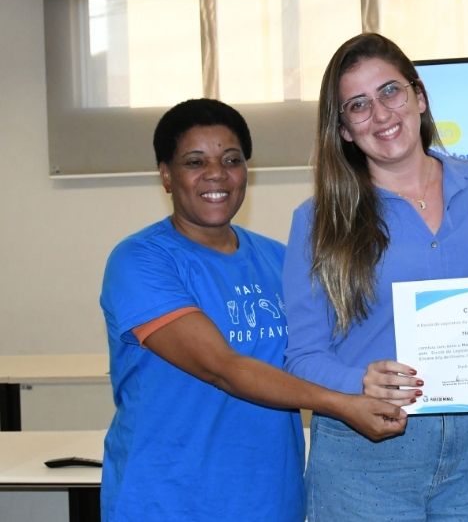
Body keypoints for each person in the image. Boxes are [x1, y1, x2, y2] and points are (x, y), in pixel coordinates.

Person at [99, 98, 407, 522]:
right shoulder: (140, 261)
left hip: (272, 501)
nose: (216, 174)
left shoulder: (279, 259)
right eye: (194, 162)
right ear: (166, 175)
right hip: (168, 501)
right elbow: (222, 368)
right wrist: (343, 403)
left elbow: (326, 350)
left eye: (231, 160)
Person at [282, 33, 468, 521]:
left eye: (390, 91)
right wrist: (359, 381)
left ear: (419, 97)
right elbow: (301, 356)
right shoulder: (319, 219)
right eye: (358, 105)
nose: (381, 114)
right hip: (367, 456)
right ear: (344, 130)